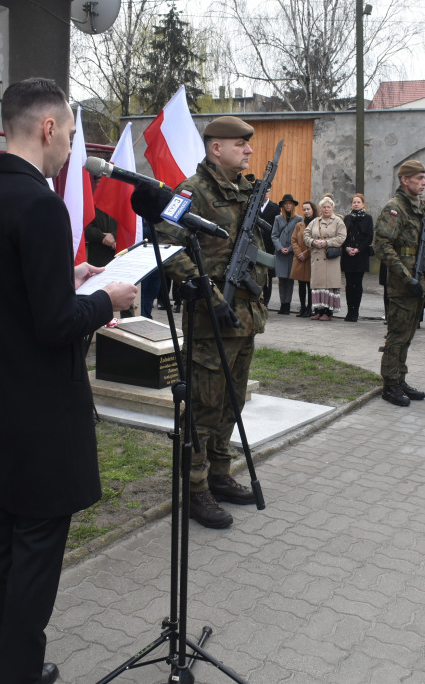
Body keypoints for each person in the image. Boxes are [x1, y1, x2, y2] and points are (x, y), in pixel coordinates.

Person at [0, 77, 138, 684]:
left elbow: (11, 292)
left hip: (0, 400)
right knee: (36, 549)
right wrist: (107, 298)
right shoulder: (38, 204)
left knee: (6, 530)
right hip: (42, 409)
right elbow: (55, 323)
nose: (68, 153)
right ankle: (19, 672)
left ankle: (9, 664)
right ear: (48, 128)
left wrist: (69, 270)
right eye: (67, 135)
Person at [156, 115, 268, 528]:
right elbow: (166, 244)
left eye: (248, 145)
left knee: (232, 403)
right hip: (210, 320)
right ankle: (196, 488)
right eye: (241, 144)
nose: (249, 150)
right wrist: (207, 291)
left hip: (244, 318)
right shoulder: (189, 191)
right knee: (203, 407)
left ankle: (220, 474)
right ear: (215, 148)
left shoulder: (243, 190)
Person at [374, 160, 425, 407]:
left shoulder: (419, 207)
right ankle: (390, 384)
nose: (424, 182)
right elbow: (382, 246)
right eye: (419, 178)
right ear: (405, 180)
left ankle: (400, 378)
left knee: (408, 335)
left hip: (419, 281)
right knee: (397, 335)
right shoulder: (395, 208)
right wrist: (406, 278)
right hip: (402, 284)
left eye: (424, 178)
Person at [304, 195, 347, 320]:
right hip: (317, 256)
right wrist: (313, 242)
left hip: (330, 258)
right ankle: (318, 310)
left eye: (328, 207)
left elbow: (342, 237)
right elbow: (305, 234)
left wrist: (326, 242)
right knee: (318, 285)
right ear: (320, 208)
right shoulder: (315, 221)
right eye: (324, 207)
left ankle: (328, 312)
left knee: (329, 285)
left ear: (332, 208)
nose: (326, 209)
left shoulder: (338, 221)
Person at [341, 193, 374, 322]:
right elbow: (343, 235)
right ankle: (350, 310)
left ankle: (356, 311)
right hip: (348, 255)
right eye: (354, 202)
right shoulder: (347, 218)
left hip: (361, 255)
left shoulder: (368, 218)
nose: (356, 204)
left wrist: (359, 249)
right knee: (349, 284)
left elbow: (369, 236)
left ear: (363, 204)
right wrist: (347, 247)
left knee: (357, 283)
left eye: (358, 202)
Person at [271, 194, 301, 315]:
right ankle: (282, 304)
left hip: (291, 253)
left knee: (290, 279)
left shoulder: (299, 219)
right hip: (280, 253)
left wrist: (289, 248)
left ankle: (287, 304)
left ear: (293, 205)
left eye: (290, 203)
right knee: (281, 279)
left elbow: (299, 237)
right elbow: (274, 235)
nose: (288, 205)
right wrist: (280, 247)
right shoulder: (278, 218)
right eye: (286, 203)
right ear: (283, 206)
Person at [290, 201, 315, 317]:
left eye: (308, 209)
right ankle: (303, 308)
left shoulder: (316, 224)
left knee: (310, 285)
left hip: (310, 259)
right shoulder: (299, 225)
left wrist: (306, 254)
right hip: (300, 259)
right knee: (301, 284)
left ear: (313, 210)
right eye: (304, 209)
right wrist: (299, 253)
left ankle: (310, 308)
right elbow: (294, 240)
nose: (306, 211)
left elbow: (315, 242)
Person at [259, 198, 280, 307]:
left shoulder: (275, 207)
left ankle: (265, 302)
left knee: (268, 276)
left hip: (269, 245)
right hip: (256, 244)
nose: (265, 194)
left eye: (267, 191)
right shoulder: (255, 204)